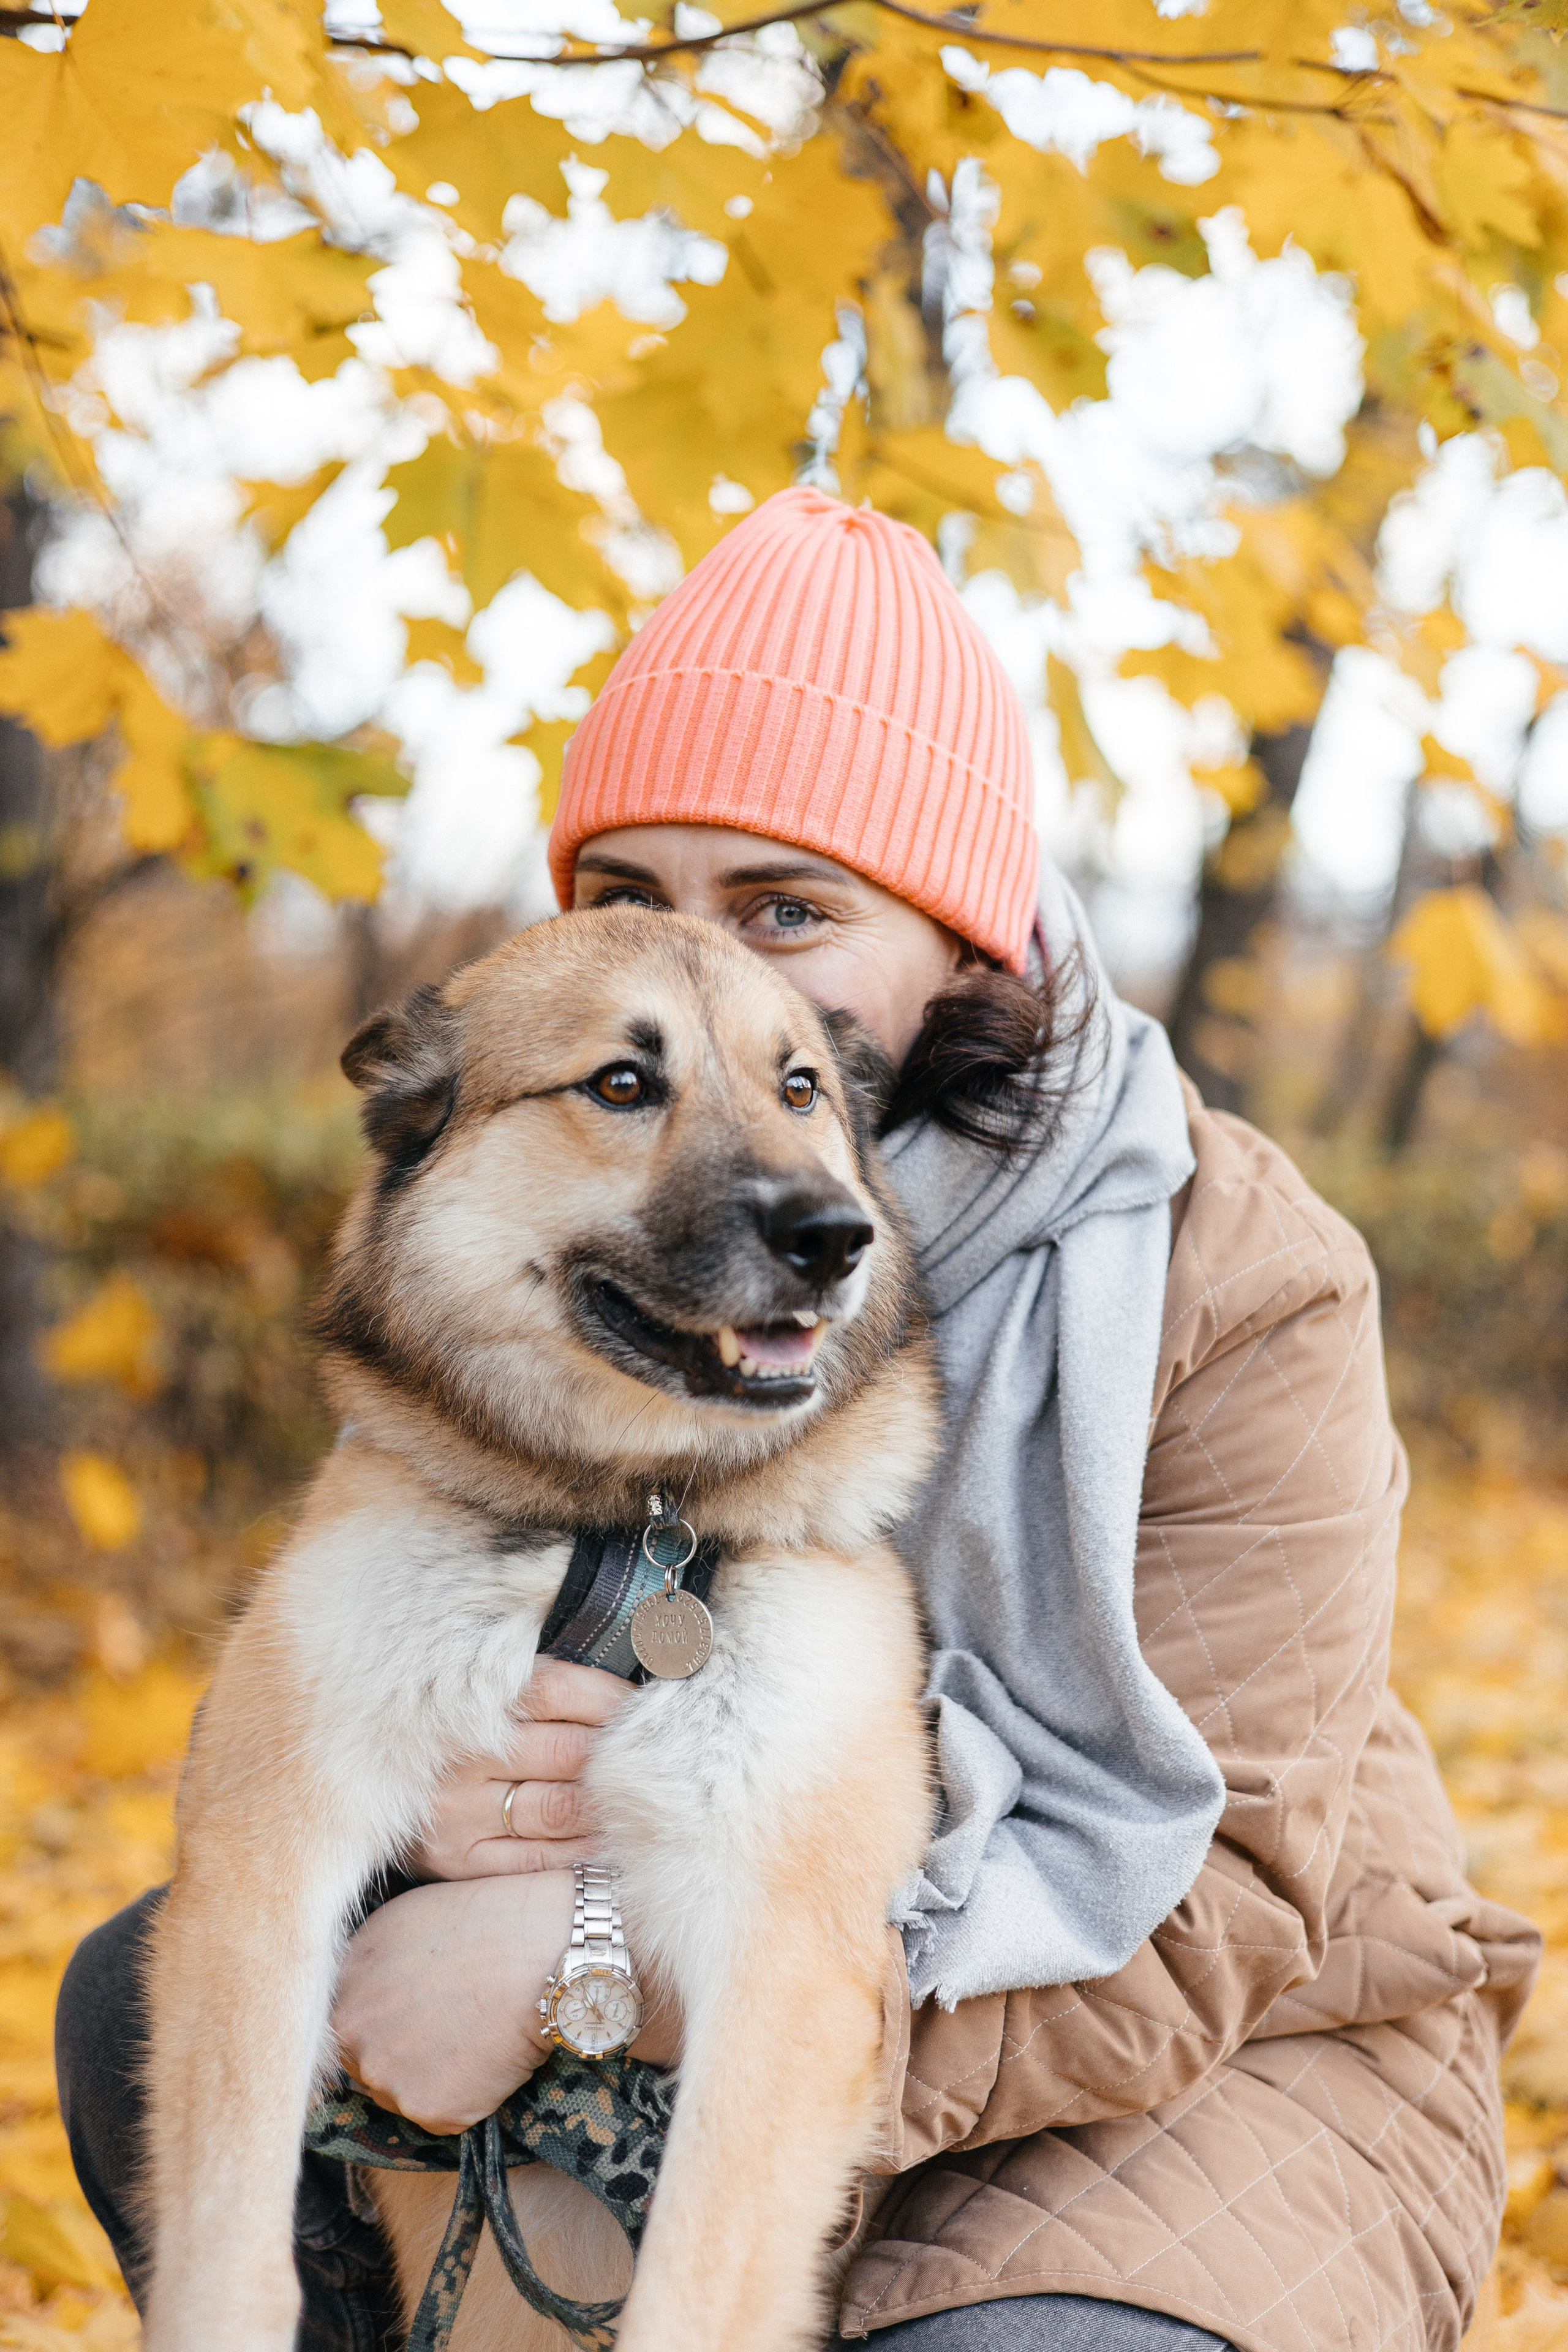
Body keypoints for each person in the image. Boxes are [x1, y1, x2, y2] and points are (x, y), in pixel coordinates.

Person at [57, 488, 1538, 2351]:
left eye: (789, 907)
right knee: (140, 1993)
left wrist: (588, 1970)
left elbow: (1221, 1913)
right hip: (740, 2005)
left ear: (961, 941)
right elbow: (381, 1707)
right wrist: (456, 1831)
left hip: (1195, 2059)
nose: (723, 965)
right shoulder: (558, 1224)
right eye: (629, 900)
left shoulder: (1239, 1271)